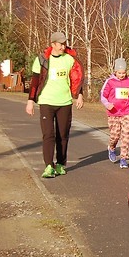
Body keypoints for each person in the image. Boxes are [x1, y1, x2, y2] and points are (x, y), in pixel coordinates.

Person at [26, 31, 84, 178]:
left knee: (62, 134)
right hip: (46, 101)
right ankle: (48, 166)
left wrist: (79, 94)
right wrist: (30, 101)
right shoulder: (42, 60)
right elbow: (35, 82)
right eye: (60, 44)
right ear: (53, 44)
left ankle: (60, 164)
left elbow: (76, 78)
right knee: (48, 134)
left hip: (65, 102)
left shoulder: (70, 59)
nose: (63, 46)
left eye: (64, 43)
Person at [100, 58, 129, 169]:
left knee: (126, 135)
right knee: (115, 136)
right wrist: (107, 104)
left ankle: (123, 158)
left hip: (127, 112)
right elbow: (103, 96)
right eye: (119, 73)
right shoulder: (110, 82)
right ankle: (112, 147)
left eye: (123, 73)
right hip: (113, 113)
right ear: (115, 72)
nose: (121, 75)